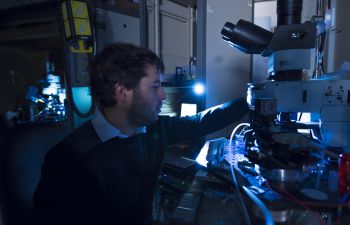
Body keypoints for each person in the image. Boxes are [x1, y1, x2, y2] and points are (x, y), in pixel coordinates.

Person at [32, 43, 249, 225]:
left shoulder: (153, 129)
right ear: (122, 91)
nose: (163, 95)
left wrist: (253, 99)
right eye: (155, 87)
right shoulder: (68, 160)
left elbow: (201, 122)